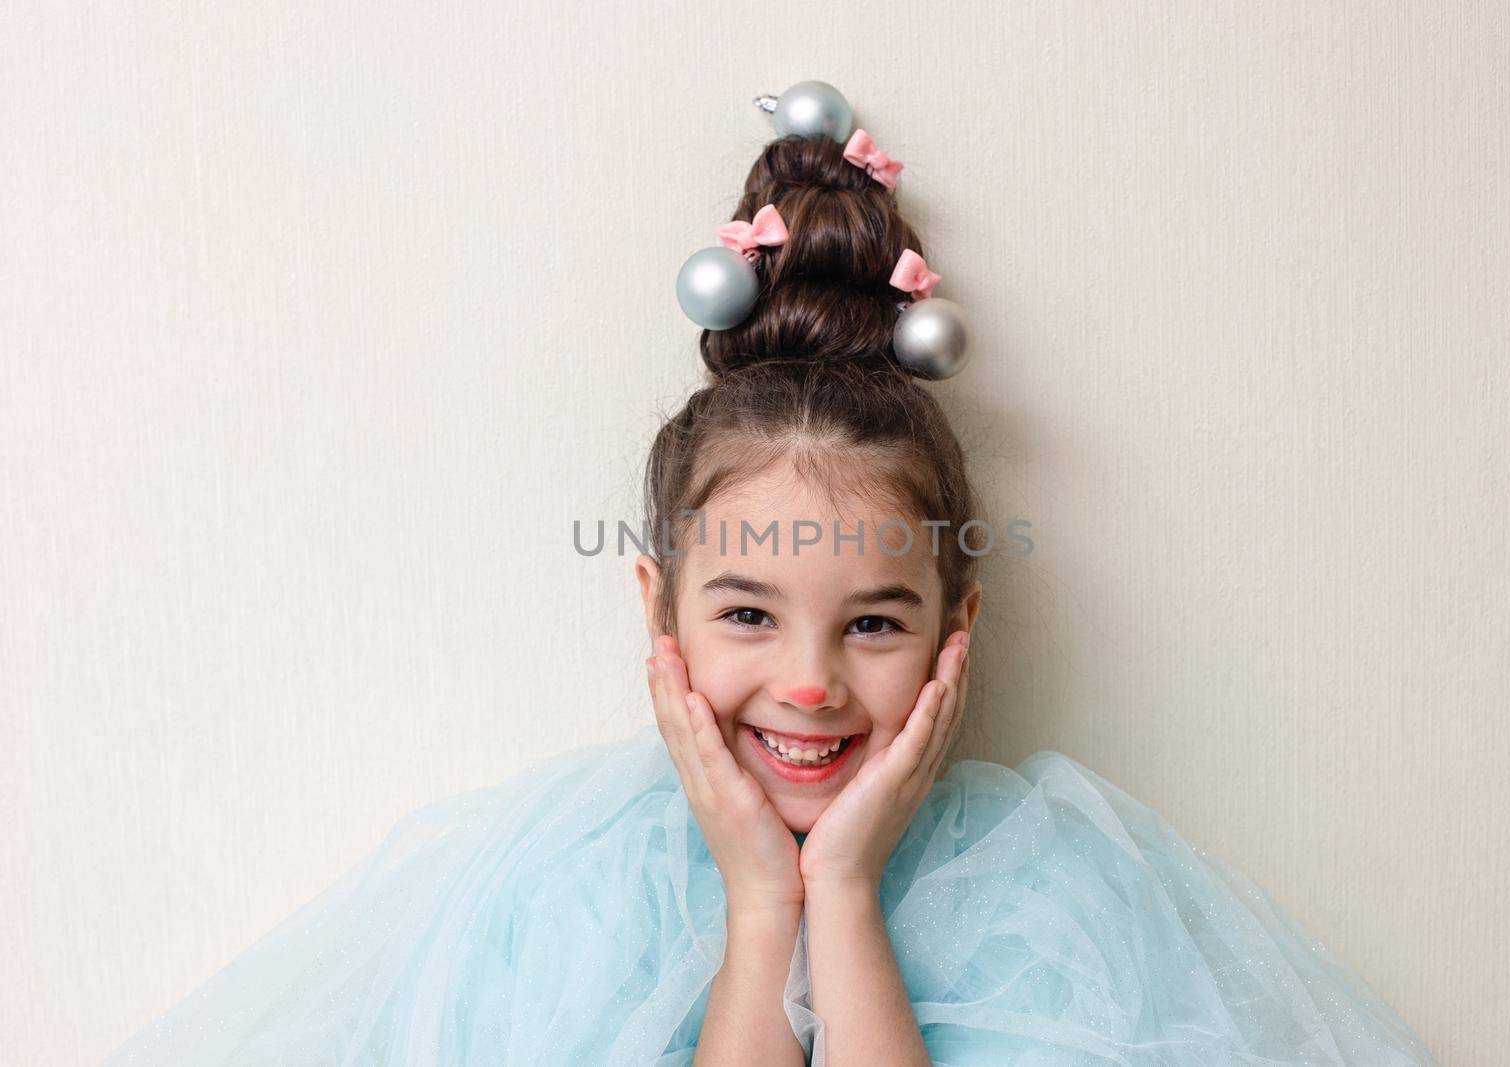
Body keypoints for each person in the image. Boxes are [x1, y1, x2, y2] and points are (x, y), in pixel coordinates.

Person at [102, 127, 1438, 1066]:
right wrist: (761, 904)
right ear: (657, 608)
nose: (810, 683)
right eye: (746, 612)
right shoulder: (558, 903)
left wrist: (840, 893)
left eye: (874, 623)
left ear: (956, 634)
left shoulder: (1056, 908)